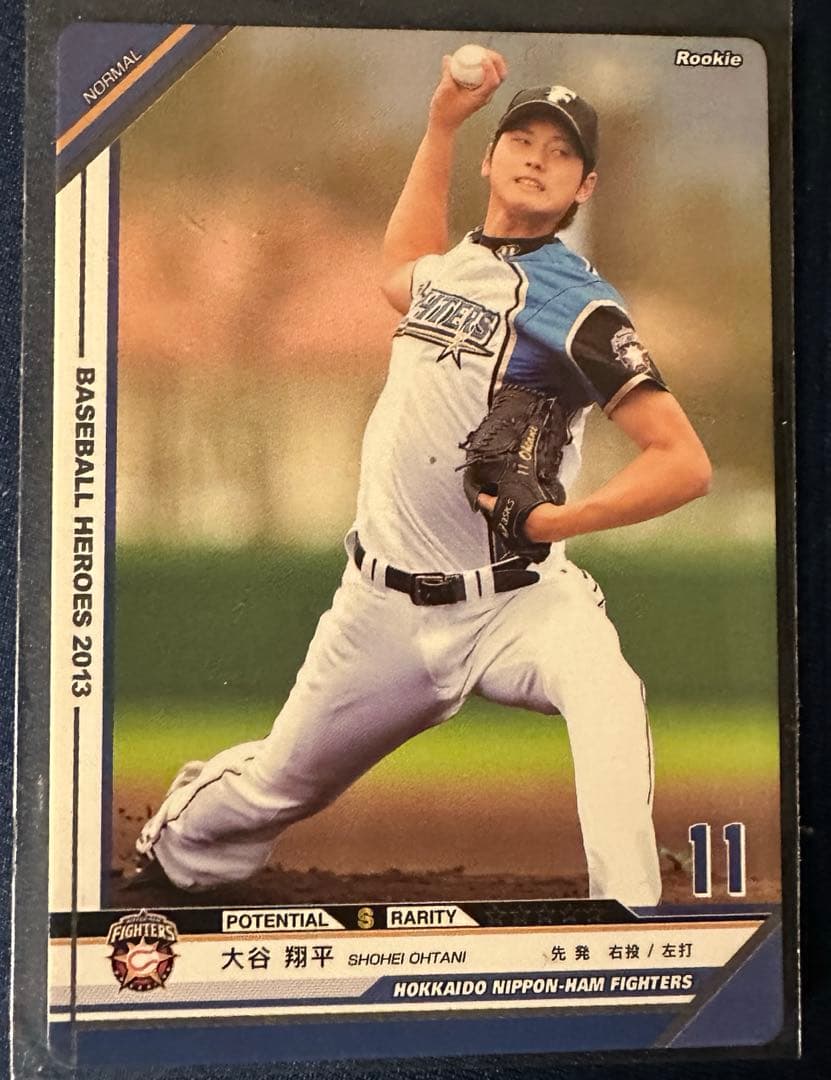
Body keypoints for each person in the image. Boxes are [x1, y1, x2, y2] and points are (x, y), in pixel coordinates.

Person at [125, 52, 711, 907]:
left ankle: (624, 914)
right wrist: (440, 123)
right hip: (384, 611)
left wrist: (558, 524)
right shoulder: (451, 268)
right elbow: (400, 263)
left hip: (519, 601)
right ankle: (177, 846)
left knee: (607, 691)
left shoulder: (579, 308)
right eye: (522, 139)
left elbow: (683, 462)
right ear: (489, 158)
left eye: (562, 152)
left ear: (584, 188)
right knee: (277, 787)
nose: (537, 158)